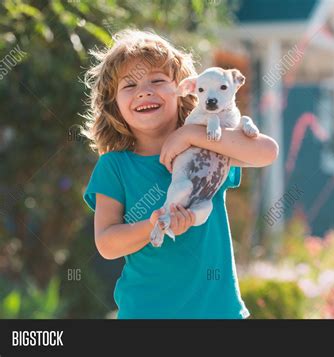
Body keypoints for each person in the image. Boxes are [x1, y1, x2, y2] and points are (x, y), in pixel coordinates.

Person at [81, 29, 279, 318]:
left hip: (219, 312)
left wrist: (189, 135)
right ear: (114, 103)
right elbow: (107, 244)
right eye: (130, 85)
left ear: (184, 89)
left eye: (157, 81)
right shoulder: (114, 166)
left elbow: (267, 152)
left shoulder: (210, 147)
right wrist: (155, 225)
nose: (144, 91)